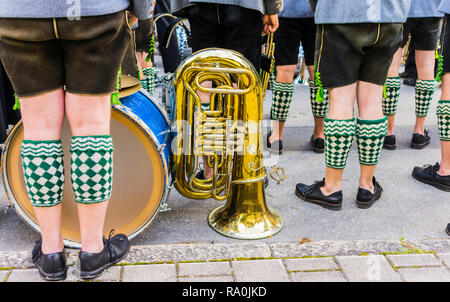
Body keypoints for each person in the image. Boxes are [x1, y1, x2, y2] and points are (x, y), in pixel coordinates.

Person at [0, 0, 153, 281]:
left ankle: (51, 253)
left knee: (38, 130)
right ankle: (93, 251)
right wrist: (142, 12)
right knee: (91, 127)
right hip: (93, 10)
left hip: (18, 12)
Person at [295, 0, 411, 211]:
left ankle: (331, 188)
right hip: (390, 14)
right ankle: (366, 187)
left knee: (340, 100)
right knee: (372, 99)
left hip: (340, 12)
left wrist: (321, 9)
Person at [170, 0, 282, 180]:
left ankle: (210, 169)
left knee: (204, 82)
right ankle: (244, 168)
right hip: (244, 5)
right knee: (242, 80)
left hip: (200, 3)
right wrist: (271, 8)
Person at [266, 0, 328, 155]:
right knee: (317, 72)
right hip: (317, 11)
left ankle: (276, 137)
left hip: (285, 10)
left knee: (284, 71)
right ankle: (320, 135)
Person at [383, 0, 444, 150]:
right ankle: (419, 131)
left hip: (398, 8)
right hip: (430, 8)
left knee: (391, 67)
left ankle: (388, 132)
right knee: (426, 67)